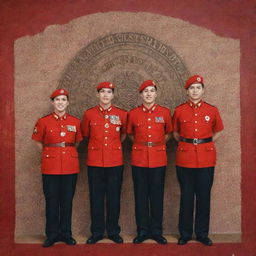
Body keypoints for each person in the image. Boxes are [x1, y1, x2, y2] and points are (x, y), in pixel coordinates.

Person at [173, 75, 224, 246]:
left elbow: (218, 131)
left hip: (206, 159)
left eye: (198, 88)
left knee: (203, 197)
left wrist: (204, 143)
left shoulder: (212, 110)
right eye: (192, 88)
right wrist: (189, 143)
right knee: (186, 197)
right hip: (185, 159)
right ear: (187, 91)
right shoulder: (179, 110)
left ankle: (202, 233)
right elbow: (175, 133)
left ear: (203, 90)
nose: (195, 91)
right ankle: (185, 233)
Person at [32, 89, 82, 247]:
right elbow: (38, 142)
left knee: (67, 201)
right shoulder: (43, 121)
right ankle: (52, 234)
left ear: (68, 103)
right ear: (53, 103)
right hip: (50, 167)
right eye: (57, 100)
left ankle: (66, 234)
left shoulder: (75, 122)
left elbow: (77, 142)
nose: (60, 102)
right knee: (52, 201)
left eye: (63, 100)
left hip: (69, 166)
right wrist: (50, 153)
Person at [127, 80, 172, 244]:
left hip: (158, 158)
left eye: (151, 91)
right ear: (140, 95)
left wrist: (156, 145)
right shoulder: (133, 114)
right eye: (145, 91)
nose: (148, 94)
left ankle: (157, 231)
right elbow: (130, 135)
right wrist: (142, 145)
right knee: (140, 196)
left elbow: (168, 133)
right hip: (139, 159)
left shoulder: (165, 112)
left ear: (156, 93)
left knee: (157, 196)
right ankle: (142, 231)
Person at [81, 82, 127, 244]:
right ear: (97, 94)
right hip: (95, 163)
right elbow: (86, 135)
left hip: (115, 162)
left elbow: (123, 135)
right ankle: (97, 232)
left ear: (113, 95)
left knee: (114, 198)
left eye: (109, 92)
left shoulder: (121, 114)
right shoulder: (89, 114)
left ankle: (114, 231)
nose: (105, 95)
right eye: (102, 92)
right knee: (96, 198)